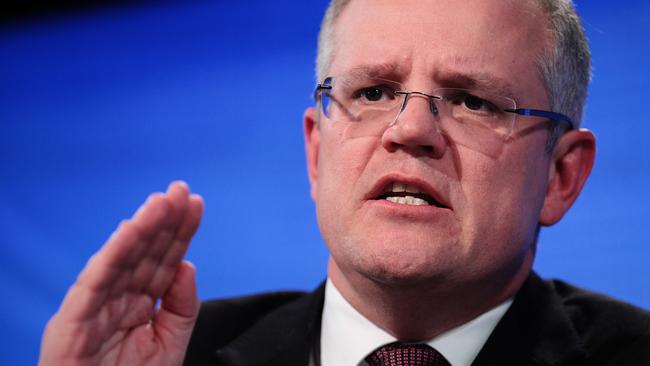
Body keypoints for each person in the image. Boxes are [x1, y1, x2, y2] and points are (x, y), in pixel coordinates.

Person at [39, 0, 650, 365]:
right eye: (374, 92)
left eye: (472, 101)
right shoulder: (173, 359)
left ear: (561, 175)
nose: (411, 129)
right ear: (315, 150)